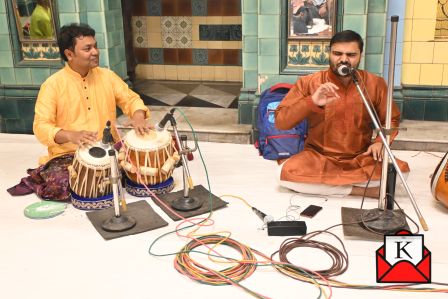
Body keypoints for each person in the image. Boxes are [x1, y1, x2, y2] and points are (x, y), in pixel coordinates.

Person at [7, 23, 151, 201]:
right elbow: (41, 126)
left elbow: (131, 99)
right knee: (63, 184)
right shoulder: (53, 85)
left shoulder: (107, 76)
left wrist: (138, 117)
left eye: (95, 46)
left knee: (144, 166)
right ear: (69, 54)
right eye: (87, 48)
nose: (95, 52)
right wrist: (70, 135)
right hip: (69, 155)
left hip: (109, 150)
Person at [275, 30, 409, 198]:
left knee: (401, 173)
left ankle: (334, 186)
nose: (343, 59)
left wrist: (380, 142)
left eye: (351, 54)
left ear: (360, 55)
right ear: (329, 53)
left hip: (360, 157)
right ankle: (361, 191)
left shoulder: (375, 83)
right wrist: (311, 101)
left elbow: (391, 119)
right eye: (337, 53)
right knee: (283, 175)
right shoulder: (309, 82)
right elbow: (281, 122)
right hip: (319, 157)